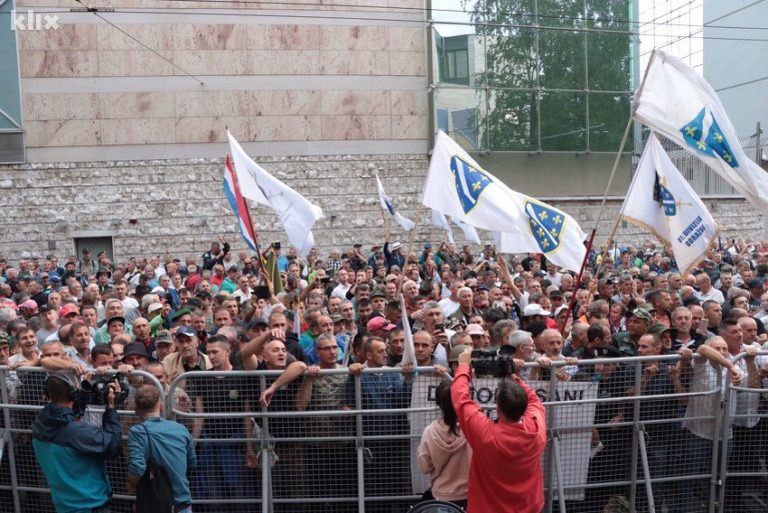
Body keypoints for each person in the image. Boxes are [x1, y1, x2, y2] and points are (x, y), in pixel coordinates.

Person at [450, 346, 546, 513]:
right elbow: (535, 400)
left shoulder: (486, 434)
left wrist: (463, 366)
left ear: (498, 407)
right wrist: (513, 378)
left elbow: (460, 397)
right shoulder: (537, 428)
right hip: (529, 507)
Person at [32, 370, 122, 513]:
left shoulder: (39, 424)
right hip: (91, 504)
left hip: (64, 504)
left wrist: (83, 395)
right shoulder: (76, 432)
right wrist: (111, 407)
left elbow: (65, 418)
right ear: (73, 394)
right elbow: (113, 445)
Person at [127, 385, 196, 513]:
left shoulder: (137, 432)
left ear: (136, 409)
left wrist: (132, 484)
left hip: (153, 503)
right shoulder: (181, 429)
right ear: (161, 405)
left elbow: (137, 468)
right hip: (182, 503)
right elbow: (191, 463)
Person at [417, 379, 471, 509]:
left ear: (438, 403)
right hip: (469, 495)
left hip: (441, 497)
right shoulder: (472, 429)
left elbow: (424, 467)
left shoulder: (430, 432)